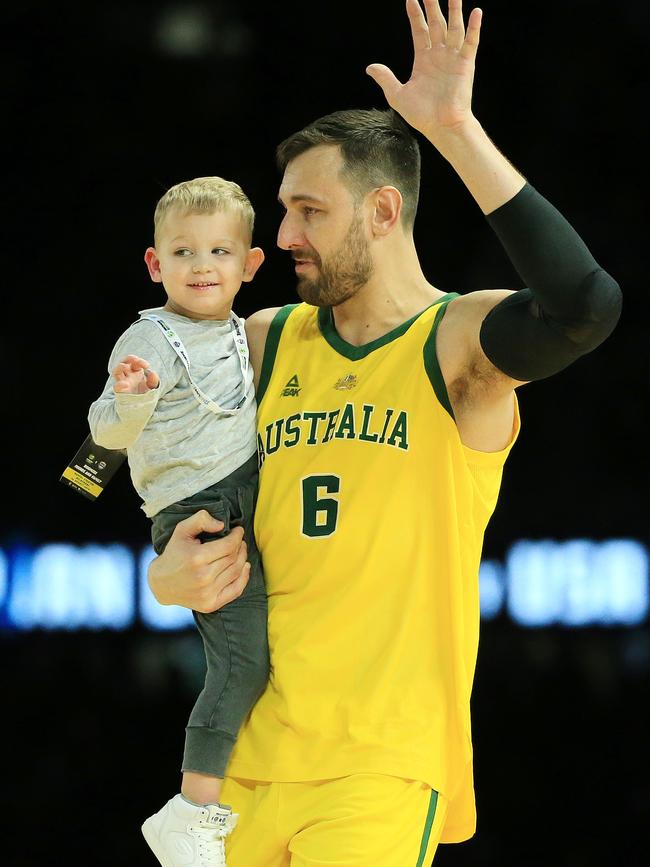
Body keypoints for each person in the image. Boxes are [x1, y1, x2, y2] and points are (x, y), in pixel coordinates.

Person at [147, 2, 622, 864]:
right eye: (282, 210)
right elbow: (128, 450)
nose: (281, 236)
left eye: (307, 211)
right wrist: (164, 567)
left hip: (378, 767)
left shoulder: (457, 345)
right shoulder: (258, 341)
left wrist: (454, 130)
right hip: (240, 766)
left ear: (381, 211)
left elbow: (586, 306)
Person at [87, 176, 269, 866]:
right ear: (155, 264)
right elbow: (102, 438)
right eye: (184, 251)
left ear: (249, 265)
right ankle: (190, 812)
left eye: (220, 250)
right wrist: (130, 399)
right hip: (199, 510)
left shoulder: (242, 329)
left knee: (266, 644)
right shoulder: (150, 337)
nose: (202, 265)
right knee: (243, 659)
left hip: (244, 490)